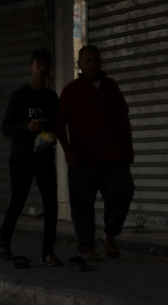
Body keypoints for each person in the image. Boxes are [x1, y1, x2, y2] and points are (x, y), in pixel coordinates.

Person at [58, 45, 135, 261]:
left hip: (114, 157)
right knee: (82, 206)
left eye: (96, 60)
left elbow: (123, 117)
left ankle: (110, 234)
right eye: (88, 61)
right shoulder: (71, 90)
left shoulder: (111, 87)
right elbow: (59, 124)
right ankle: (86, 248)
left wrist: (128, 149)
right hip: (82, 160)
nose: (93, 64)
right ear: (79, 65)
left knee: (124, 192)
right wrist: (68, 152)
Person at [0, 49, 62, 267]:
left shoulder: (51, 97)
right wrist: (26, 127)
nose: (43, 69)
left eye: (47, 65)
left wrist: (49, 133)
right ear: (30, 67)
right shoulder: (19, 96)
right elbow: (6, 128)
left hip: (44, 157)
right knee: (17, 201)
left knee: (51, 204)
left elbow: (58, 126)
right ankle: (4, 243)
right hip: (21, 158)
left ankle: (48, 251)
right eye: (39, 64)